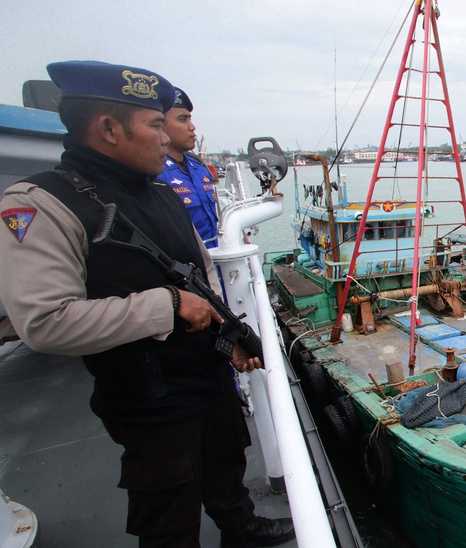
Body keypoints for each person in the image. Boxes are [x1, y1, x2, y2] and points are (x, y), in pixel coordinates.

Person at [0, 61, 294, 548]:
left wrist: (230, 340)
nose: (166, 137)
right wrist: (167, 305)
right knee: (168, 509)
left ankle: (240, 529)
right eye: (155, 124)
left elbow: (200, 280)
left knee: (226, 462)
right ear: (109, 128)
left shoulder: (160, 191)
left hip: (205, 374)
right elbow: (45, 321)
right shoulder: (41, 204)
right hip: (148, 400)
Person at [161, 86, 220, 248]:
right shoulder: (155, 173)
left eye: (190, 119)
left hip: (215, 261)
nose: (191, 126)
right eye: (182, 119)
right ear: (160, 124)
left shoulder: (198, 168)